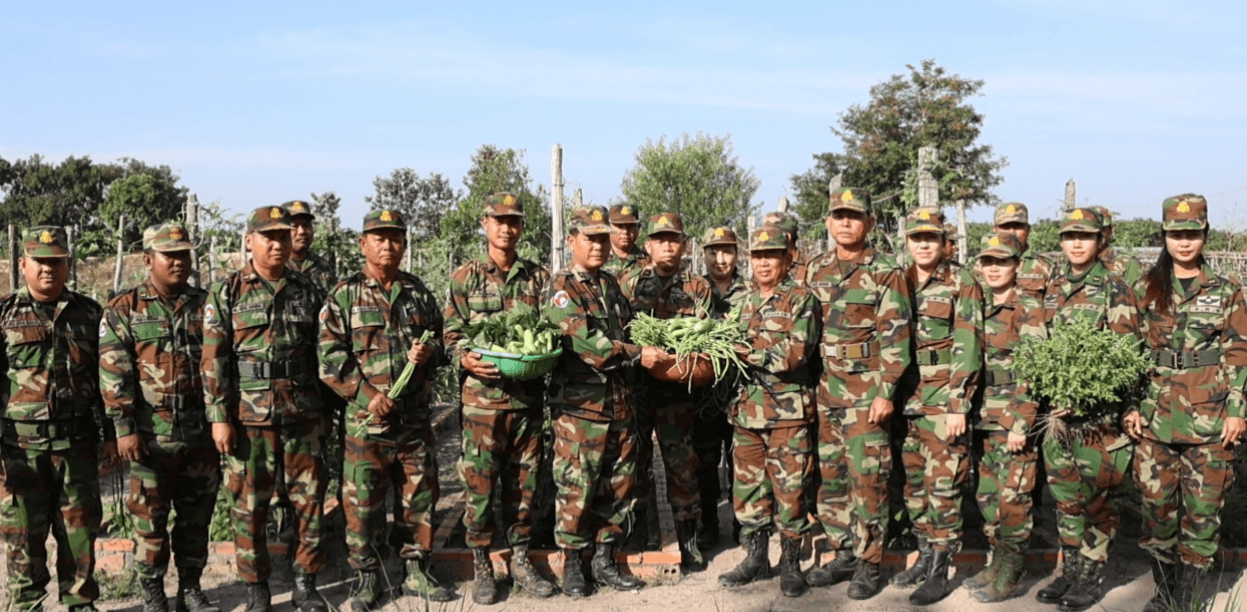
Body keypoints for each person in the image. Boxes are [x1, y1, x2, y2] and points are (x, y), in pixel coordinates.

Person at [318, 209, 452, 607]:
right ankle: (366, 578)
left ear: (405, 244)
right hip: (366, 426)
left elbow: (444, 344)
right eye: (379, 237)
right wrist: (366, 395)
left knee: (420, 499)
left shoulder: (418, 293)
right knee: (363, 505)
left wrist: (430, 353)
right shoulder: (344, 296)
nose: (388, 245)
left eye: (395, 238)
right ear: (363, 244)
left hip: (413, 423)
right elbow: (329, 355)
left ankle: (417, 572)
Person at [1125, 194, 1247, 612]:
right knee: (1157, 512)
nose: (1184, 242)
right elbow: (1127, 352)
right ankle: (1164, 590)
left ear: (1204, 235)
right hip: (1155, 419)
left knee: (1201, 513)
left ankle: (1185, 597)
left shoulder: (1226, 290)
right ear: (1164, 235)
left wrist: (1236, 411)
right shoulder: (1145, 287)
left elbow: (1239, 353)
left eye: (1192, 234)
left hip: (1210, 421)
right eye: (1176, 234)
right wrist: (1130, 405)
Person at [203, 206, 327, 612]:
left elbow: (322, 354)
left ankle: (306, 583)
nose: (277, 244)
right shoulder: (227, 292)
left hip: (301, 414)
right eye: (268, 237)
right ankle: (257, 588)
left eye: (284, 236)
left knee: (308, 503)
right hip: (248, 417)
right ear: (249, 241)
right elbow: (214, 358)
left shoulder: (307, 290)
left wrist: (324, 413)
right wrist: (219, 417)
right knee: (248, 505)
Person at [99, 223, 220, 612]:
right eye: (170, 255)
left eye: (184, 254)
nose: (179, 262)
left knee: (195, 517)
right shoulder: (125, 309)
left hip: (199, 434)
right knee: (149, 520)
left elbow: (222, 364)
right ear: (148, 259)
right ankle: (153, 592)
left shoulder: (207, 304)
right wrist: (124, 428)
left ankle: (191, 588)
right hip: (151, 436)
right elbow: (113, 372)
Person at [441, 193, 555, 604]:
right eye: (500, 220)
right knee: (479, 485)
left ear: (522, 227)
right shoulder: (465, 277)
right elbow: (450, 335)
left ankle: (521, 560)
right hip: (482, 404)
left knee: (524, 485)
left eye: (515, 221)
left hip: (526, 401)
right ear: (485, 223)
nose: (507, 228)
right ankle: (482, 564)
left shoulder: (539, 278)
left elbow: (552, 330)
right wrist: (466, 358)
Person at [545, 206, 664, 597]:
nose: (597, 245)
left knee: (618, 488)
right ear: (572, 241)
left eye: (602, 238)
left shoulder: (610, 285)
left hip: (620, 406)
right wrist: (638, 354)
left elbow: (630, 328)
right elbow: (590, 345)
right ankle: (573, 566)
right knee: (577, 488)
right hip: (582, 413)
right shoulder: (561, 289)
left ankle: (604, 559)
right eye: (589, 238)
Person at [804, 187, 911, 600]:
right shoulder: (816, 270)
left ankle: (869, 562)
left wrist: (885, 392)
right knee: (831, 478)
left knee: (868, 479)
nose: (845, 222)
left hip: (867, 395)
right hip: (828, 393)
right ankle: (844, 551)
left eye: (854, 215)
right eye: (838, 215)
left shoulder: (885, 271)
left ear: (869, 222)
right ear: (828, 223)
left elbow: (897, 337)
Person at [0, 226, 112, 612]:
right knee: (23, 536)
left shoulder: (90, 314)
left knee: (79, 534)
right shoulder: (3, 315)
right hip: (19, 450)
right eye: (40, 261)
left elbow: (107, 381)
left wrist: (111, 436)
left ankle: (80, 604)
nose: (48, 269)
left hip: (76, 446)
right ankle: (27, 605)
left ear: (68, 265)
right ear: (23, 264)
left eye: (56, 262)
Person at [1033, 207, 1140, 612]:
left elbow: (1125, 355)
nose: (1076, 243)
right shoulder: (1052, 288)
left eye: (1085, 236)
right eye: (1069, 236)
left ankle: (1092, 576)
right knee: (1065, 498)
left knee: (1097, 499)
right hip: (1058, 420)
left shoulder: (1115, 288)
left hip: (1097, 419)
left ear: (1100, 241)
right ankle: (1071, 569)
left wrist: (1087, 395)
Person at [716, 226, 819, 598]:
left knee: (790, 490)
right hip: (746, 413)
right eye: (757, 256)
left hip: (787, 413)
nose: (763, 263)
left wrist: (750, 355)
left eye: (771, 256)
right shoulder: (742, 303)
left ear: (786, 259)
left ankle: (791, 564)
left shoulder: (801, 299)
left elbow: (796, 354)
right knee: (747, 489)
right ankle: (756, 557)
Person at [892, 207, 983, 606]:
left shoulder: (961, 281)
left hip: (942, 398)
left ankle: (941, 570)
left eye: (930, 237)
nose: (923, 244)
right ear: (907, 241)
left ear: (944, 241)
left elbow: (968, 343)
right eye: (916, 238)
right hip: (906, 399)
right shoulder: (899, 279)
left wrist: (958, 403)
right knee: (914, 486)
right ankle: (926, 553)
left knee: (943, 486)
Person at [622, 212, 713, 572]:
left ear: (685, 245)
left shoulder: (697, 287)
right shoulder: (629, 283)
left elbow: (704, 337)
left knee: (681, 463)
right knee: (637, 460)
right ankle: (640, 532)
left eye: (674, 240)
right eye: (660, 240)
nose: (667, 246)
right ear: (648, 246)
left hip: (677, 390)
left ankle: (688, 539)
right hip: (638, 388)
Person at [964, 232, 1046, 602]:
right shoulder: (975, 302)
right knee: (987, 495)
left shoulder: (1027, 307)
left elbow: (1035, 367)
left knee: (1014, 498)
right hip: (983, 418)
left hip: (1012, 416)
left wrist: (1022, 420)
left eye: (1003, 261)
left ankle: (1011, 572)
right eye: (988, 262)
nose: (994, 268)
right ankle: (996, 562)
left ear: (1017, 265)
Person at [694, 226, 748, 550]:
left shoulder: (749, 292)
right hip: (704, 394)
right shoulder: (695, 291)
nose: (720, 258)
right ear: (704, 254)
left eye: (726, 251)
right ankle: (709, 525)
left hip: (740, 392)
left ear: (737, 254)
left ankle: (743, 525)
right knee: (705, 462)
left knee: (741, 461)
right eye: (713, 252)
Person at [986, 203, 1054, 299]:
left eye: (1018, 226)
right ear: (994, 230)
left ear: (1028, 229)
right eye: (1005, 227)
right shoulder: (981, 266)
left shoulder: (1045, 266)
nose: (1012, 232)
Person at [284, 200, 338, 295]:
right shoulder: (275, 268)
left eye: (306, 225)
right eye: (294, 226)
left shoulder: (323, 266)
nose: (302, 231)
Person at [1091, 206, 1145, 286]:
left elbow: (1136, 296)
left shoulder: (1128, 263)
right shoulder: (1074, 262)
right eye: (1091, 229)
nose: (1097, 233)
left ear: (1111, 230)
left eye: (1102, 228)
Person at [601, 203, 649, 284]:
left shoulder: (650, 262)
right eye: (619, 226)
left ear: (639, 227)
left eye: (630, 226)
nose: (625, 231)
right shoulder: (597, 260)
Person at [763, 212, 808, 284]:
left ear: (787, 237)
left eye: (771, 234)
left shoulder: (811, 267)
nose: (765, 239)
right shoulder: (764, 267)